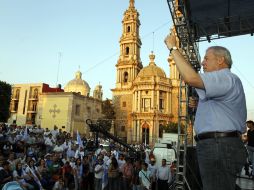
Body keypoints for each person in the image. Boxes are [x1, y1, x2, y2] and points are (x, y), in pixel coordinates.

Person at [164, 31, 247, 190]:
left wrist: (173, 47)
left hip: (218, 146)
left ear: (221, 60)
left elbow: (191, 78)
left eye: (206, 59)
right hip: (218, 145)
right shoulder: (225, 80)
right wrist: (201, 106)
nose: (202, 63)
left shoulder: (224, 77)